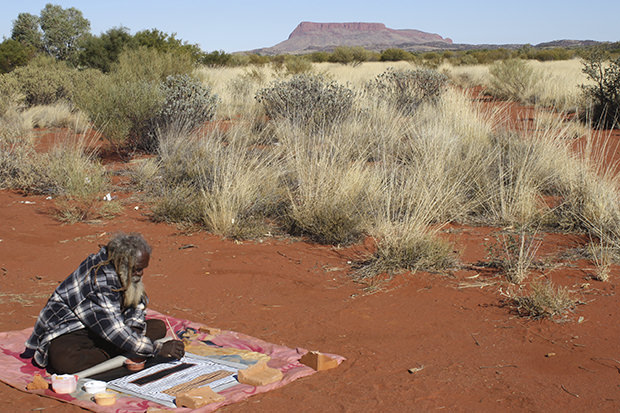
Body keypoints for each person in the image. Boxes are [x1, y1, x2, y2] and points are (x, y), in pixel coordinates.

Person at [23, 232, 185, 374]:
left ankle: (124, 348)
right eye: (136, 269)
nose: (140, 273)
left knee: (158, 327)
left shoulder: (125, 270)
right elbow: (113, 329)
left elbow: (137, 304)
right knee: (65, 361)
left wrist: (134, 330)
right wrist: (156, 349)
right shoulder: (98, 280)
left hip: (106, 329)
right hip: (72, 330)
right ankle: (123, 349)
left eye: (142, 269)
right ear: (121, 263)